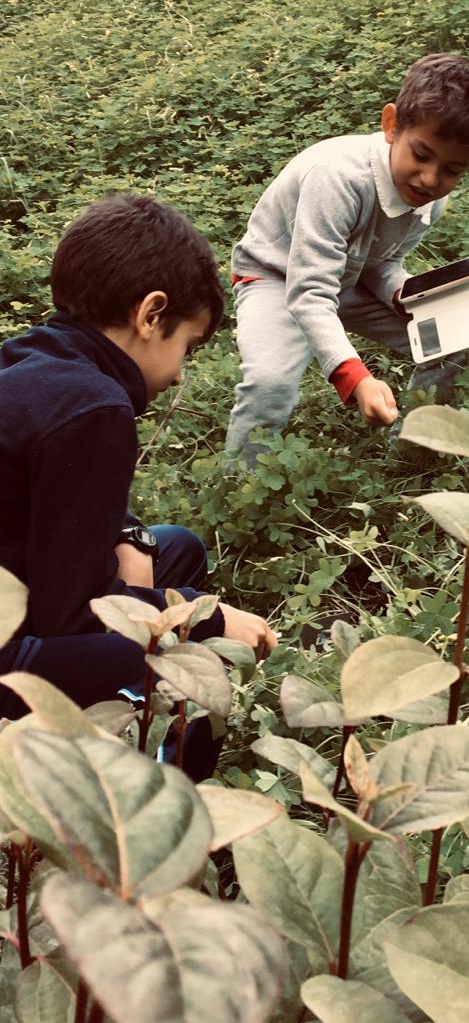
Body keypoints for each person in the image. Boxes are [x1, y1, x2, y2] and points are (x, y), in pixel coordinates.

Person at [0, 193, 277, 779]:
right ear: (151, 315)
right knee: (186, 662)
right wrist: (203, 621)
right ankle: (162, 799)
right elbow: (69, 615)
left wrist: (133, 538)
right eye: (187, 348)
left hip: (19, 586)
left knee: (177, 546)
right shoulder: (96, 407)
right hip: (10, 650)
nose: (178, 375)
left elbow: (57, 504)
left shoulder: (30, 363)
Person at [224, 53, 469, 461]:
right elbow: (310, 292)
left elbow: (381, 261)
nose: (430, 178)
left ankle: (413, 452)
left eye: (452, 170)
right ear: (391, 124)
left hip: (343, 279)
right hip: (275, 277)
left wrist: (404, 294)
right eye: (421, 155)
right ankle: (239, 480)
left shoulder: (429, 197)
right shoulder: (336, 178)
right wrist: (355, 378)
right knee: (271, 382)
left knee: (448, 339)